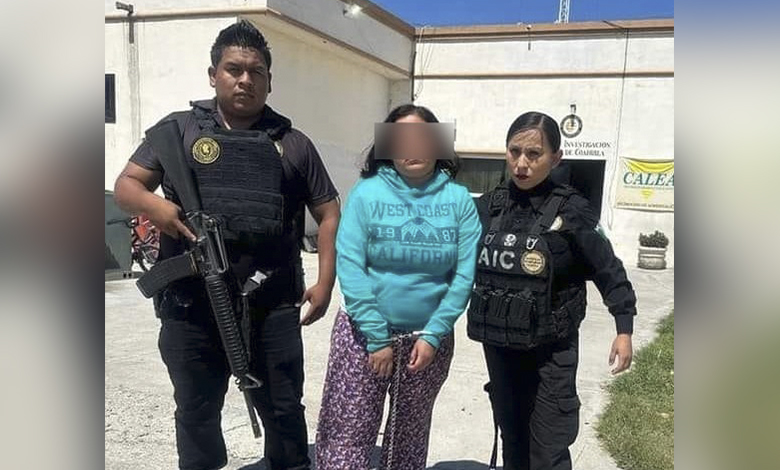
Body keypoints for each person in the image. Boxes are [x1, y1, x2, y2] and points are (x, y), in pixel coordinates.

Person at [113, 20, 340, 470]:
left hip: (272, 302)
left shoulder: (293, 144)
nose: (245, 79)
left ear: (269, 81)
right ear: (213, 74)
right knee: (196, 409)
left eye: (256, 72)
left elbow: (328, 211)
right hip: (191, 303)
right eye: (234, 69)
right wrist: (157, 209)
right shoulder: (179, 131)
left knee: (282, 407)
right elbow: (126, 186)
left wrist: (325, 280)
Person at [315, 104, 481, 470]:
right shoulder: (366, 194)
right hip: (361, 336)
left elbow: (463, 276)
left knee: (408, 438)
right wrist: (377, 337)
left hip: (428, 342)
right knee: (347, 435)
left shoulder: (459, 202)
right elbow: (351, 266)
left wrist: (433, 335)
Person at [468, 111, 637, 470]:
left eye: (534, 154)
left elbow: (607, 268)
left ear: (556, 158)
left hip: (551, 350)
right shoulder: (488, 207)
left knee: (548, 448)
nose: (522, 164)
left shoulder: (574, 212)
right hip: (500, 346)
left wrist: (624, 327)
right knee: (513, 439)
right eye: (515, 152)